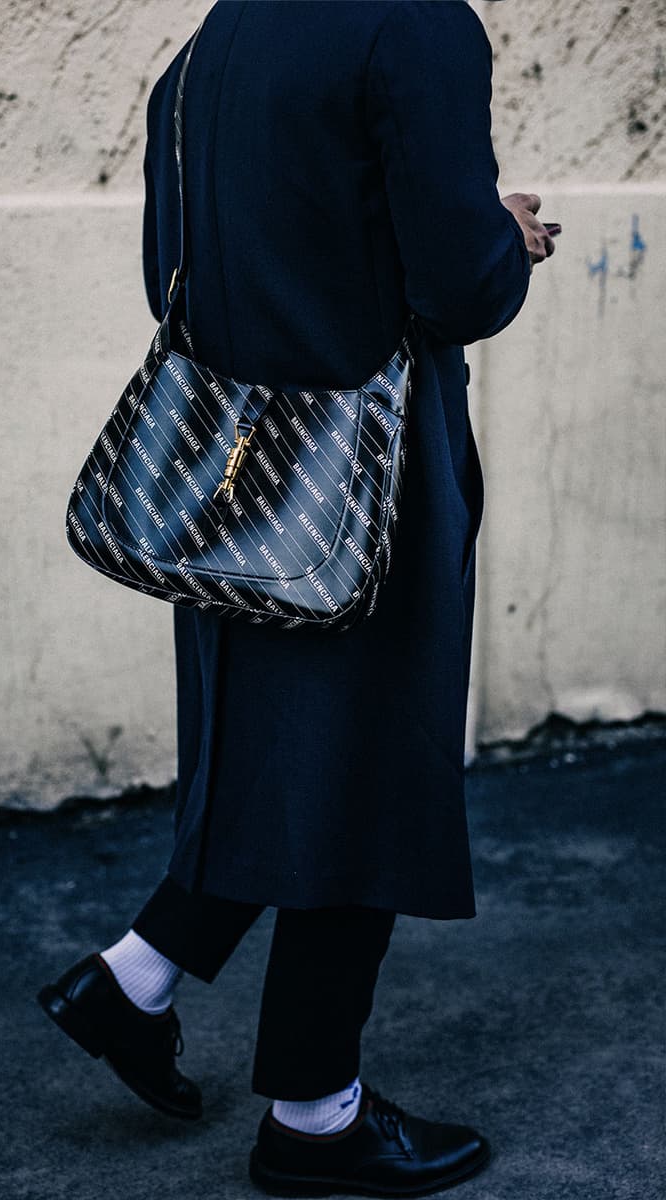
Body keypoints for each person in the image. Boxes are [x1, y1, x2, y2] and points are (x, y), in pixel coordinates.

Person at [38, 2, 558, 1195]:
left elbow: (170, 252)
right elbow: (458, 283)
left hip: (233, 458)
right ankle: (315, 1119)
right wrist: (505, 235)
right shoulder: (417, 25)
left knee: (280, 754)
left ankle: (133, 981)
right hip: (366, 465)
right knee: (362, 773)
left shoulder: (224, 30)